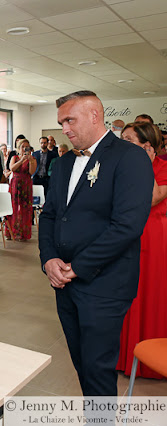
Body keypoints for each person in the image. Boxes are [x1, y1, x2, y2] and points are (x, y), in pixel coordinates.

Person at [39, 90, 153, 396]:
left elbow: (127, 226)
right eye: (61, 122)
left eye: (69, 120)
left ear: (95, 116)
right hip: (64, 282)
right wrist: (49, 259)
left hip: (105, 284)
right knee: (81, 364)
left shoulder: (130, 157)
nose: (64, 129)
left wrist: (77, 267)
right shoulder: (63, 164)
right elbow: (50, 216)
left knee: (98, 369)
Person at [117, 122, 167, 379]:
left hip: (154, 237)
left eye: (128, 139)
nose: (122, 143)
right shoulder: (123, 166)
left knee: (149, 292)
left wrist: (144, 165)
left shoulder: (163, 167)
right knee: (127, 294)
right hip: (126, 234)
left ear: (147, 145)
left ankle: (151, 357)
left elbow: (153, 198)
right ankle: (124, 353)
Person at [9, 139, 36, 241]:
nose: (25, 148)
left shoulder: (32, 159)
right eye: (23, 146)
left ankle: (23, 233)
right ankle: (12, 232)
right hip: (15, 184)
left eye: (27, 146)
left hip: (26, 184)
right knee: (14, 207)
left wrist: (30, 160)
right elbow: (12, 168)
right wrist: (21, 160)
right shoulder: (14, 157)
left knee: (25, 208)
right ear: (18, 148)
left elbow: (31, 172)